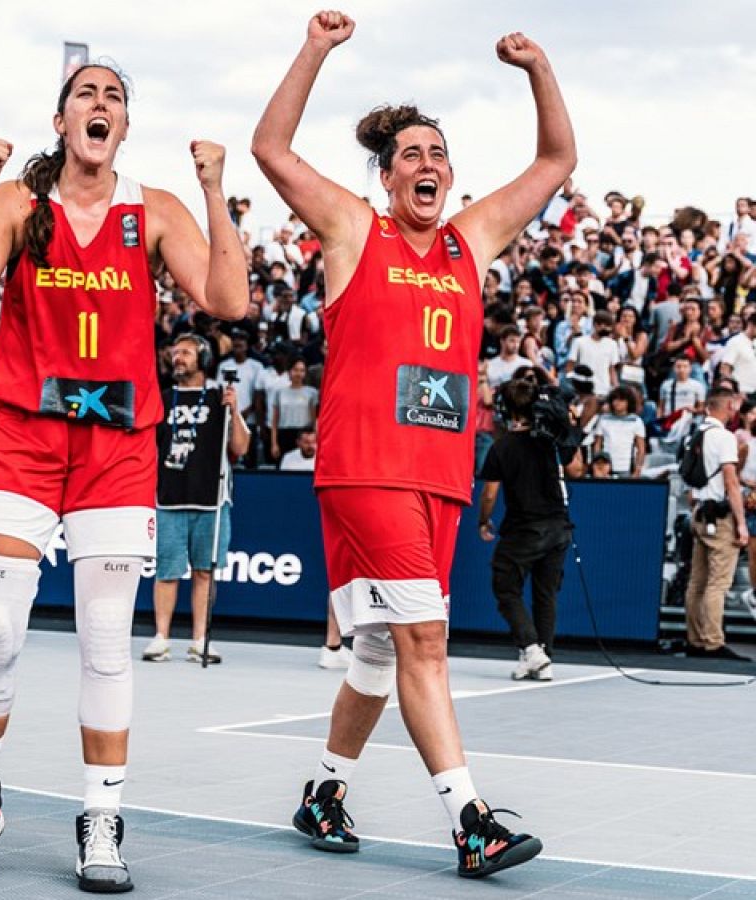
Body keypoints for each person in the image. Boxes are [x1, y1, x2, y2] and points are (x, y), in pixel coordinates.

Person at [253, 11, 573, 877]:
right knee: (424, 644)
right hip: (366, 470)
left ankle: (323, 791)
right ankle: (471, 822)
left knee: (372, 648)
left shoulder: (471, 242)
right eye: (411, 156)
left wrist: (538, 67)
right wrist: (316, 49)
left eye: (439, 155)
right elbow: (272, 150)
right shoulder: (357, 232)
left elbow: (554, 163)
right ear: (387, 176)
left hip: (439, 477)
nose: (427, 166)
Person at [0, 61, 248, 891]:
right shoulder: (19, 203)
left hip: (117, 447)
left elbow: (229, 301)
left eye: (113, 98)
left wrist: (215, 189)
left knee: (107, 639)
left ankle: (101, 816)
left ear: (124, 127)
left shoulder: (156, 208)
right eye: (86, 96)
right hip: (22, 436)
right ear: (62, 120)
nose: (99, 106)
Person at [144, 335, 250, 665]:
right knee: (167, 571)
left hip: (211, 499)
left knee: (205, 572)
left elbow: (241, 448)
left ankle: (200, 639)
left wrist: (234, 411)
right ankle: (161, 637)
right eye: (175, 352)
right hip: (170, 498)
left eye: (186, 353)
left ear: (202, 358)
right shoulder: (163, 398)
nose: (178, 357)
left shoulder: (220, 398)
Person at [478, 368, 584, 681]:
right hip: (558, 528)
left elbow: (489, 493)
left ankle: (532, 648)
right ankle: (541, 658)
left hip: (524, 529)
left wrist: (484, 521)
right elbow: (576, 468)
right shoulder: (550, 441)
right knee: (545, 594)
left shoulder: (502, 447)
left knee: (505, 586)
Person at [683, 387, 751, 660]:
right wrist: (741, 523)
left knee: (697, 581)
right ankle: (713, 641)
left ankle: (695, 639)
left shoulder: (695, 435)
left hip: (699, 512)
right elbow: (730, 482)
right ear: (727, 408)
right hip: (719, 517)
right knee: (718, 583)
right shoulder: (724, 437)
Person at [591, 387, 646, 477]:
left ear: (628, 402)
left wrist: (637, 470)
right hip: (606, 468)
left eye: (621, 400)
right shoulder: (603, 419)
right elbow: (597, 444)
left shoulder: (636, 421)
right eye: (614, 399)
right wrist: (598, 465)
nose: (616, 403)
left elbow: (641, 449)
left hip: (626, 468)